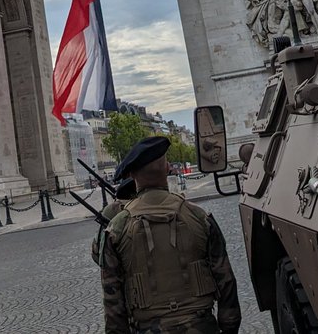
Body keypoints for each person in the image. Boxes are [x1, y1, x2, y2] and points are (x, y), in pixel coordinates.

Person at [99, 136, 241, 334]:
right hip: (201, 326)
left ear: (131, 175)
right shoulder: (199, 217)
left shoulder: (117, 228)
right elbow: (225, 280)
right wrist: (229, 328)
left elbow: (113, 301)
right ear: (167, 169)